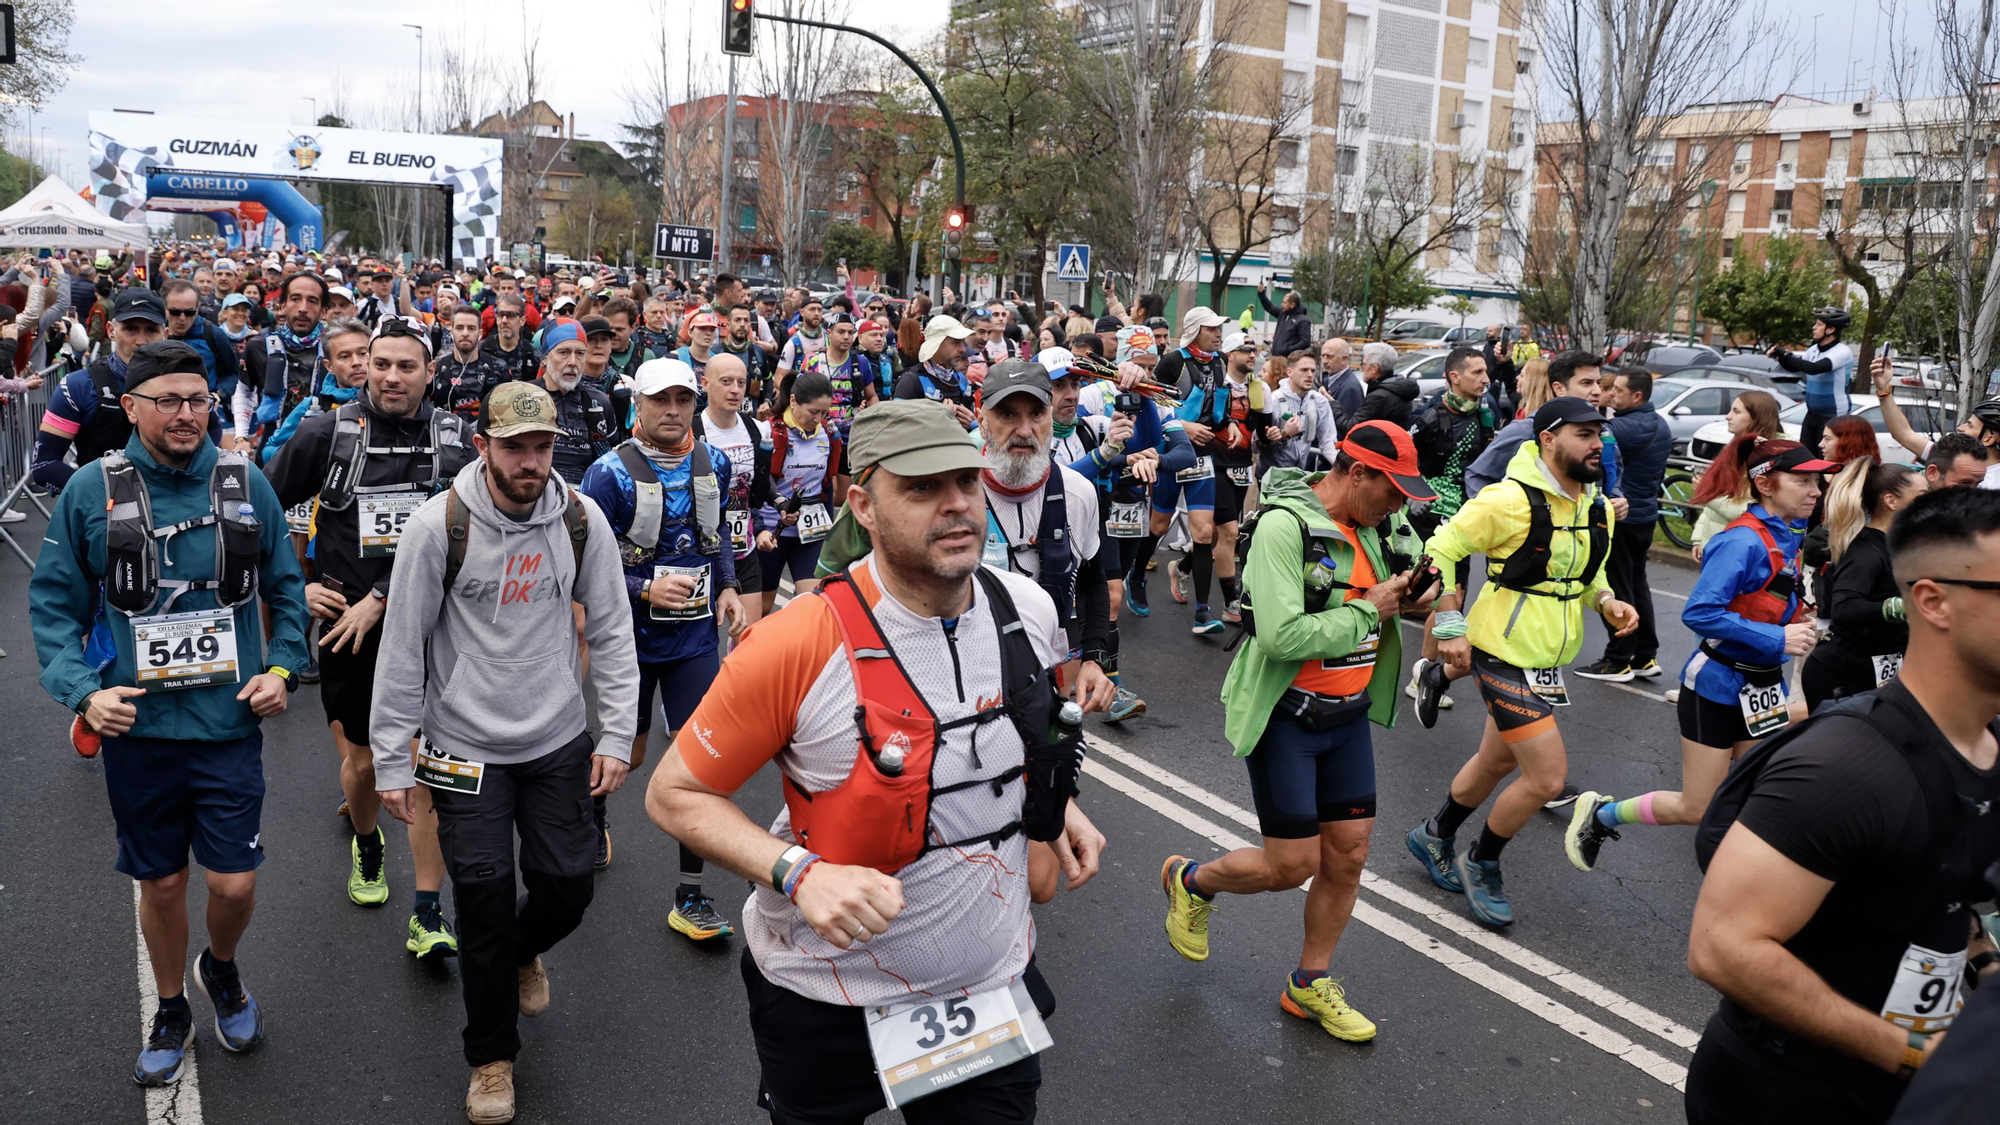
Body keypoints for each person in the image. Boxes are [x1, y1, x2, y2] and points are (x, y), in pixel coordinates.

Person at [643, 398, 1106, 1125]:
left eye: (965, 480)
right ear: (861, 501)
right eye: (921, 488)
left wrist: (1055, 800)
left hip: (984, 987)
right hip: (827, 996)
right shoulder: (796, 640)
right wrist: (800, 873)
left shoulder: (1027, 609)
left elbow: (1010, 730)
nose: (955, 506)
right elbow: (675, 793)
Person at [29, 340, 308, 1085]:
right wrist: (84, 691)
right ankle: (171, 1004)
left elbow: (288, 591)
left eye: (200, 400)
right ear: (131, 407)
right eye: (170, 401)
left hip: (227, 727)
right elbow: (52, 606)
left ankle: (220, 967)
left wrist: (283, 668)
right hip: (139, 732)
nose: (188, 415)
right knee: (160, 883)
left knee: (234, 883)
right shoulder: (92, 490)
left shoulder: (245, 481)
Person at [1683, 486, 2000, 1125]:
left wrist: (1985, 966)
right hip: (1786, 1094)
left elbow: (1935, 885)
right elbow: (1723, 947)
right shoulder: (1843, 767)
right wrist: (1913, 1053)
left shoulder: (1987, 747)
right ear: (1933, 602)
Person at [369, 381, 639, 1125]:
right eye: (514, 445)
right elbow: (404, 647)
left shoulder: (581, 519)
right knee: (481, 896)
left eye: (542, 446)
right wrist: (393, 757)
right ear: (483, 444)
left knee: (569, 884)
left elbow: (613, 630)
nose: (529, 461)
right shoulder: (438, 526)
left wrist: (616, 732)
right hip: (462, 746)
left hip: (555, 737)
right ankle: (492, 1057)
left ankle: (523, 950)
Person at [1161, 421, 1438, 1043]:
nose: (1400, 505)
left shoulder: (1383, 523)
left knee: (1349, 854)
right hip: (1289, 714)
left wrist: (1429, 602)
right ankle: (1192, 881)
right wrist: (1374, 607)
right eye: (1392, 489)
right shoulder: (1286, 528)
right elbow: (1280, 637)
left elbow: (1419, 583)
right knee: (1292, 865)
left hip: (1347, 716)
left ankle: (1310, 982)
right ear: (1356, 472)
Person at [265, 317, 472, 954]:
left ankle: (429, 909)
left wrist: (384, 598)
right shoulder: (326, 433)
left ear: (430, 373)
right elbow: (258, 514)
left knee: (432, 764)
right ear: (361, 368)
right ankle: (366, 839)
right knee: (361, 765)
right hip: (349, 630)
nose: (390, 376)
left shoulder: (459, 443)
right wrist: (298, 587)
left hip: (434, 626)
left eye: (406, 366)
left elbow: (480, 535)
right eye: (380, 363)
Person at [1404, 397, 1639, 928]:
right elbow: (1439, 550)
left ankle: (1434, 836)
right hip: (1500, 652)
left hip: (1546, 660)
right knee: (1548, 778)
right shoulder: (1505, 500)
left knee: (1498, 761)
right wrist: (1448, 624)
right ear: (1549, 440)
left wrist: (1607, 602)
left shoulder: (1596, 506)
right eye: (1583, 434)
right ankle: (1482, 862)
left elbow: (1588, 578)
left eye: (1599, 434)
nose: (1596, 443)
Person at [1565, 440, 1839, 873]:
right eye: (1803, 481)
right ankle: (1601, 814)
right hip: (1718, 684)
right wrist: (1777, 637)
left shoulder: (1791, 533)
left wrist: (1800, 614)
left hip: (1764, 685)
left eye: (1817, 481)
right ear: (1765, 483)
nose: (1816, 491)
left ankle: (1743, 882)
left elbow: (1763, 597)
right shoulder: (1743, 540)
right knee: (1697, 805)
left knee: (1755, 792)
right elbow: (1700, 612)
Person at [579, 356, 747, 936]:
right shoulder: (607, 474)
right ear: (639, 406)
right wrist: (646, 585)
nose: (673, 412)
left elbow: (718, 527)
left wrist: (727, 585)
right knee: (630, 754)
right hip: (629, 637)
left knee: (697, 760)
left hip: (695, 637)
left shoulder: (715, 462)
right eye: (660, 402)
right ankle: (594, 813)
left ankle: (691, 896)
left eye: (682, 401)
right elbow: (582, 562)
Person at [1800, 457, 1926, 711]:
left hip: (1879, 671)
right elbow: (1844, 609)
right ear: (1891, 502)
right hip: (1839, 673)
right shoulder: (1866, 551)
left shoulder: (1902, 547)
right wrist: (1898, 607)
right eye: (1921, 497)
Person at [30, 288, 188, 491]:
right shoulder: (78, 386)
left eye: (151, 330)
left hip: (170, 506)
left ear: (165, 334)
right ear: (111, 330)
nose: (141, 341)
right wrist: (104, 495)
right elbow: (45, 466)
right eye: (131, 329)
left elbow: (207, 449)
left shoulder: (183, 384)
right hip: (105, 509)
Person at [1406, 346, 1496, 695]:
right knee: (1441, 596)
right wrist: (1411, 497)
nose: (1485, 379)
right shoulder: (1427, 415)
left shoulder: (1486, 415)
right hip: (1427, 513)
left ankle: (1422, 675)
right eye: (1476, 372)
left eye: (1486, 372)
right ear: (1453, 377)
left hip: (1466, 515)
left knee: (1453, 598)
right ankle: (1418, 675)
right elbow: (1403, 459)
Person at [1576, 367, 1675, 682]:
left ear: (1637, 396)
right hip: (1646, 516)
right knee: (1637, 585)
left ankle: (1618, 659)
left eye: (1617, 390)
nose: (1609, 393)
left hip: (1620, 516)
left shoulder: (1620, 428)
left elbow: (1590, 439)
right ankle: (1644, 656)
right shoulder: (1659, 423)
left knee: (1617, 586)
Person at [1169, 330, 1269, 631]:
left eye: (1253, 350)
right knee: (1229, 532)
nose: (1251, 355)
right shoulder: (1215, 381)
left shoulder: (1258, 387)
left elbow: (1263, 428)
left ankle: (1183, 567)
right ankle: (1230, 602)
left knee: (1210, 535)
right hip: (1215, 462)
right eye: (1244, 350)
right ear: (1229, 354)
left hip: (1242, 466)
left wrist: (1279, 433)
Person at [1152, 307, 1237, 634]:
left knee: (1203, 533)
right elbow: (1153, 404)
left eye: (1220, 328)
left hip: (1203, 456)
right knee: (1158, 525)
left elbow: (1220, 405)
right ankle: (1134, 577)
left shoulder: (1220, 361)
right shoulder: (1172, 362)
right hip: (1172, 453)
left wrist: (1230, 425)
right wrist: (1183, 426)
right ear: (1193, 330)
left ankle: (1203, 613)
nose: (1218, 334)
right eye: (1211, 328)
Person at [756, 371, 842, 616]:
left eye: (825, 413)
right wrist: (759, 526)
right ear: (793, 400)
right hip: (772, 531)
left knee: (812, 605)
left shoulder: (827, 434)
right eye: (813, 411)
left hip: (809, 532)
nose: (819, 418)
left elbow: (826, 484)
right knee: (762, 608)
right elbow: (754, 485)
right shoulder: (767, 431)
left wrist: (829, 528)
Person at [1464, 350, 1606, 497]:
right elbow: (1477, 476)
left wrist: (1615, 497)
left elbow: (1609, 478)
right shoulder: (1525, 431)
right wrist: (1499, 515)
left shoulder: (1604, 431)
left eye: (1599, 383)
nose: (1597, 391)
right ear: (1559, 389)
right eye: (1587, 383)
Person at [1871, 356, 2000, 486]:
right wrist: (1883, 388)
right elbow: (1904, 434)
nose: (1961, 427)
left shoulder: (1994, 485)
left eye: (1970, 426)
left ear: (1989, 439)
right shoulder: (1951, 456)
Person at [1690, 390, 1787, 558]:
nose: (1728, 416)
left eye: (1736, 411)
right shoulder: (1736, 446)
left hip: (1741, 550)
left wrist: (1708, 495)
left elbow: (1751, 510)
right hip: (1717, 544)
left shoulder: (1771, 456)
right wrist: (1699, 539)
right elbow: (1719, 495)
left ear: (1757, 417)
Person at [532, 319, 624, 486]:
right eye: (564, 352)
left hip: (586, 496)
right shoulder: (525, 396)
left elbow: (612, 460)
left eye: (580, 353)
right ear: (544, 359)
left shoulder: (598, 402)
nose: (573, 362)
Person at [247, 272, 331, 443]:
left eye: (312, 301)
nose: (303, 308)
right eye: (295, 299)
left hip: (320, 446)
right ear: (283, 305)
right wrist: (241, 437)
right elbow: (244, 391)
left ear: (323, 311)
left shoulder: (334, 350)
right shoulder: (259, 346)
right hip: (272, 448)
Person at [1768, 307, 1857, 453]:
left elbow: (1814, 368)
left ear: (1831, 329)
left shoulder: (1841, 351)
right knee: (1807, 459)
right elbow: (1797, 367)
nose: (1813, 327)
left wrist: (1786, 354)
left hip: (1833, 415)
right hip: (1812, 414)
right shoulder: (1814, 349)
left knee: (1826, 463)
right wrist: (1781, 357)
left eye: (1819, 324)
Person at [1265, 349, 1342, 473]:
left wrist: (1343, 469)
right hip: (1270, 477)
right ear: (1289, 372)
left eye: (1312, 370)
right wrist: (1284, 434)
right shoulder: (1274, 400)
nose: (1310, 375)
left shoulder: (1320, 401)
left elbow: (1328, 442)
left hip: (1300, 475)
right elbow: (1258, 444)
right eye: (1304, 370)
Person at [893, 315, 977, 429]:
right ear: (937, 343)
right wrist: (937, 417)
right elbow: (894, 425)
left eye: (963, 342)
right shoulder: (911, 380)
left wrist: (974, 424)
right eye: (956, 342)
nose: (963, 349)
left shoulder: (960, 379)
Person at [434, 305, 508, 429]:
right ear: (451, 332)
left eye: (471, 328)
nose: (465, 333)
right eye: (459, 328)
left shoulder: (497, 368)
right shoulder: (438, 368)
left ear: (480, 333)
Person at [1349, 342, 1420, 428]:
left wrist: (1333, 404)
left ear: (1374, 368)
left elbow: (1351, 428)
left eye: (1364, 364)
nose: (1362, 368)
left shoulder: (1380, 397)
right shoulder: (1397, 387)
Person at [480, 294, 539, 385]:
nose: (504, 320)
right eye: (500, 315)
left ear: (522, 320)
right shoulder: (481, 351)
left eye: (511, 315)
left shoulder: (532, 355)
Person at [1256, 279, 1313, 357]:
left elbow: (1305, 342)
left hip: (1288, 360)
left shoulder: (1302, 320)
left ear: (1292, 305)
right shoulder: (1283, 314)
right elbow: (1269, 307)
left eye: (1285, 303)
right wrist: (1261, 293)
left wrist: (1288, 349)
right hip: (1276, 357)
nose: (1282, 304)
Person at [1921, 432, 1991, 490]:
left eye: (1978, 484)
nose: (1973, 494)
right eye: (1964, 484)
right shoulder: (1912, 501)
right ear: (1933, 473)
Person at [1318, 337, 1364, 420]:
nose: (1324, 361)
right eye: (1323, 356)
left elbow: (1347, 426)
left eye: (1330, 356)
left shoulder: (1350, 388)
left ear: (1344, 359)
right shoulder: (1331, 379)